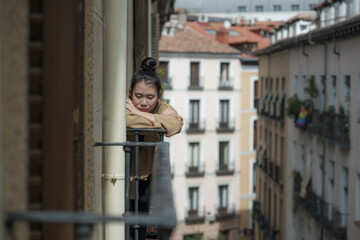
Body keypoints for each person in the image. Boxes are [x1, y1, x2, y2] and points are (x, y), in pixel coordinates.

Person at [126, 57, 183, 239]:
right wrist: (156, 120)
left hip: (145, 178)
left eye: (150, 97)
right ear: (130, 93)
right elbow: (127, 121)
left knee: (140, 225)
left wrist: (139, 114)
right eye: (138, 96)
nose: (143, 103)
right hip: (124, 178)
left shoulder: (159, 107)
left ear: (158, 96)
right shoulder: (125, 106)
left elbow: (175, 125)